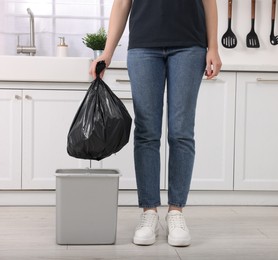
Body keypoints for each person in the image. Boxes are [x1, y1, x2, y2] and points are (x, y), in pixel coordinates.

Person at [89, 0, 222, 247]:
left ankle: (176, 212)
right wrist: (107, 53)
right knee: (146, 133)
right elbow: (121, 4)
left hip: (189, 46)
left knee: (181, 132)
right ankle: (149, 212)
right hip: (143, 48)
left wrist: (213, 47)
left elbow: (209, 2)